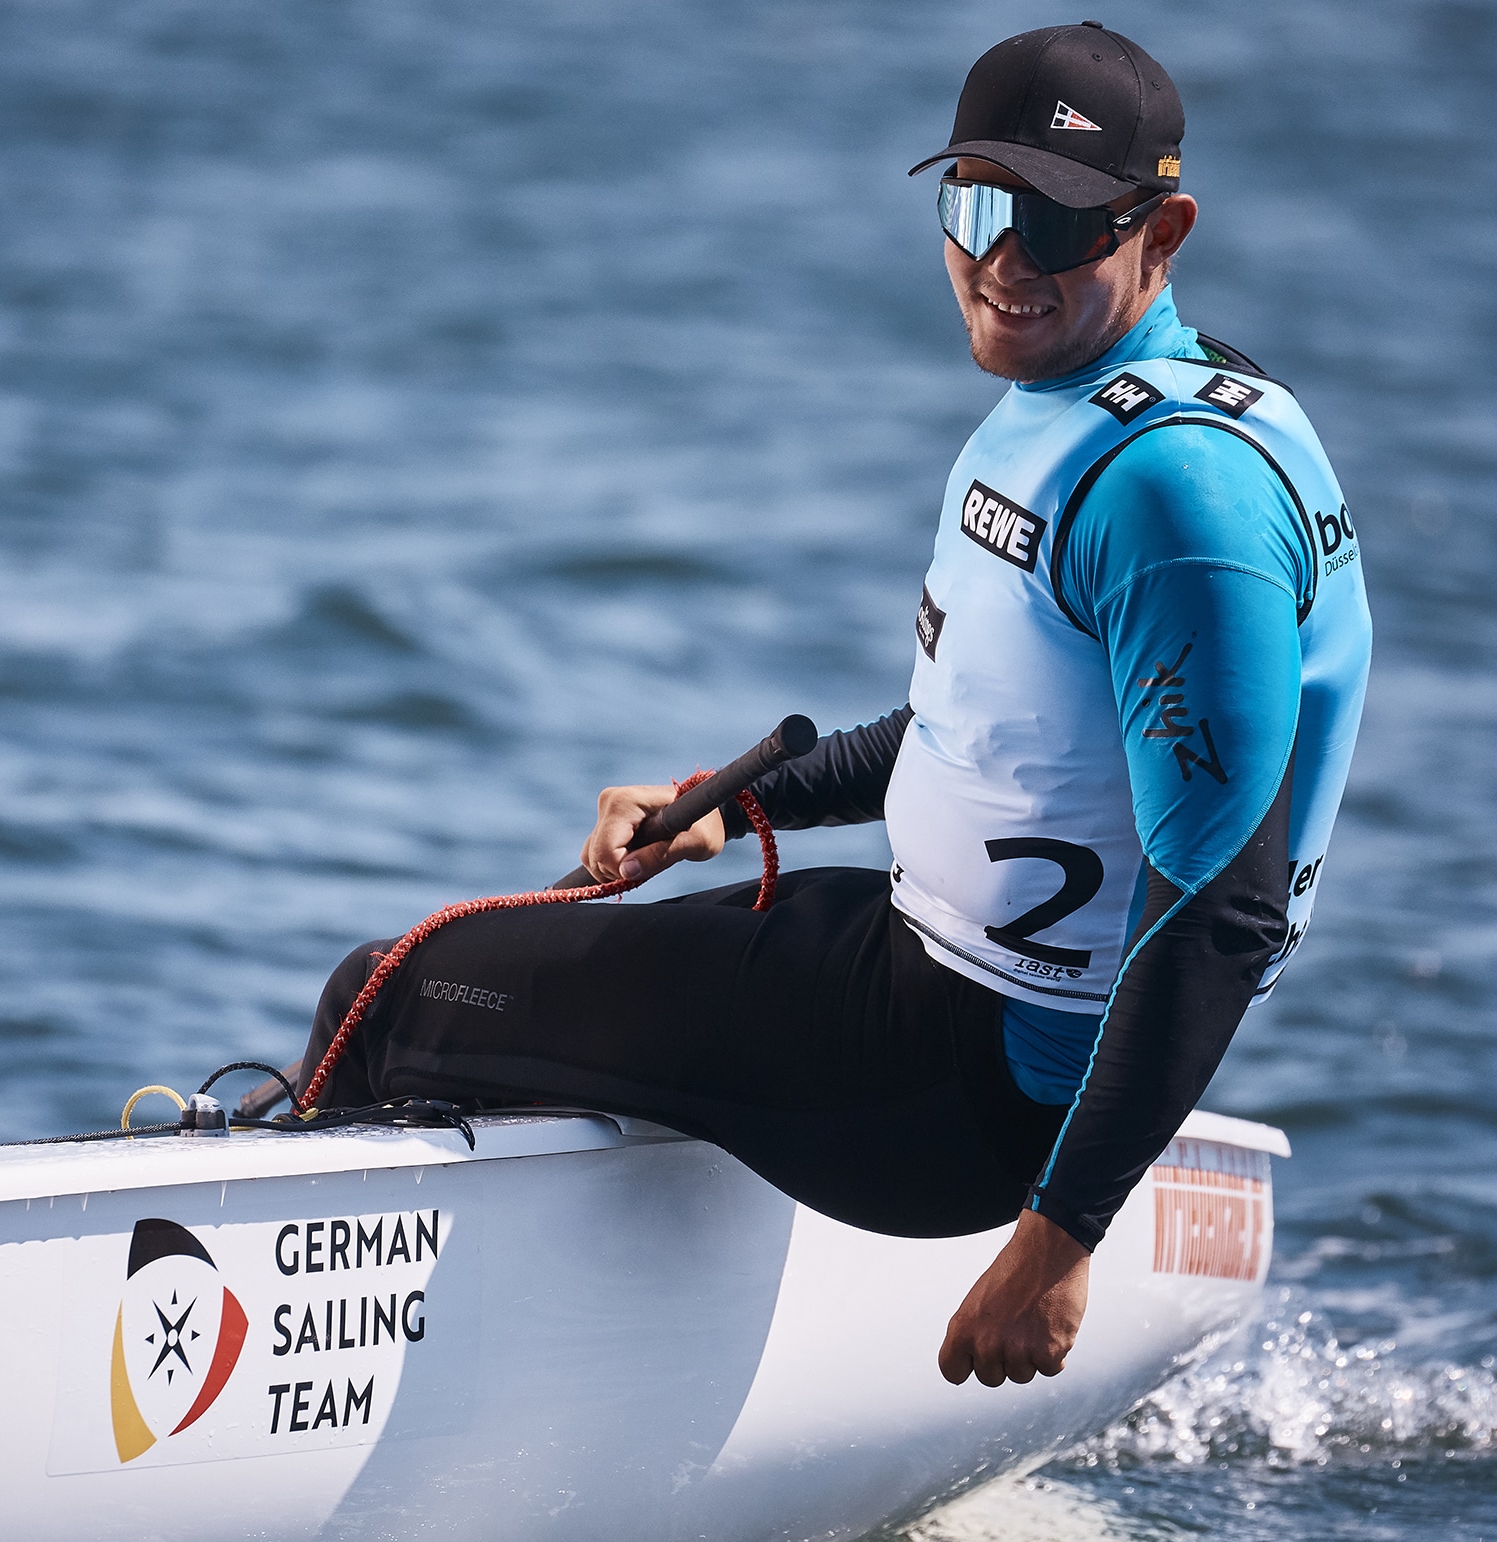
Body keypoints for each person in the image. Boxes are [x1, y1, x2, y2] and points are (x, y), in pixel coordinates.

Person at [299, 22, 1369, 1389]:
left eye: (1055, 219)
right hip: (926, 982)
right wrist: (729, 807)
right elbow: (996, 743)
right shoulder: (1115, 400)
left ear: (1162, 230)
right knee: (569, 974)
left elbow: (1223, 903)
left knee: (389, 992)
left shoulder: (1177, 498)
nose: (1003, 258)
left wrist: (1057, 1233)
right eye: (976, 203)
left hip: (964, 1083)